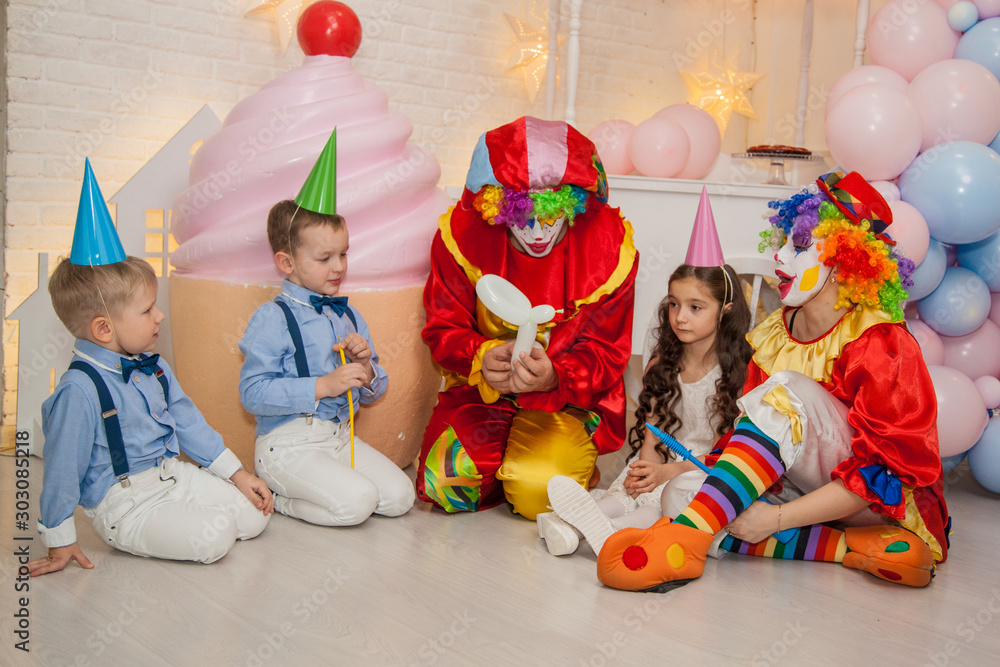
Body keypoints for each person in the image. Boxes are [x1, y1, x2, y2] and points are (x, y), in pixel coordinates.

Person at [597, 171, 950, 591]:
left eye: (798, 247)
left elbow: (886, 474)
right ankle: (845, 547)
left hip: (872, 504)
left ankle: (684, 544)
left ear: (843, 264)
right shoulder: (775, 332)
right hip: (800, 490)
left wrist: (775, 518)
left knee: (788, 389)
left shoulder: (882, 342)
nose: (780, 257)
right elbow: (748, 440)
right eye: (783, 242)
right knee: (683, 495)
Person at [30, 160, 272, 577]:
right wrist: (60, 539)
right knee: (215, 537)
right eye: (147, 310)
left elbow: (189, 423)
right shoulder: (80, 389)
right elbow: (62, 467)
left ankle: (189, 511)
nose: (160, 316)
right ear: (104, 328)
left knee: (253, 515)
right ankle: (171, 523)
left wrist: (236, 473)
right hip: (125, 501)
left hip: (172, 475)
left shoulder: (154, 367)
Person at [417, 117, 638, 520]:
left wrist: (556, 376)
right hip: (482, 393)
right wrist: (481, 356)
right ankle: (505, 459)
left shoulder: (609, 248)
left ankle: (536, 462)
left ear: (572, 206)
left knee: (540, 499)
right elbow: (442, 326)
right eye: (522, 217)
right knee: (445, 487)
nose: (538, 233)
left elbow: (607, 350)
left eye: (551, 216)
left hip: (568, 402)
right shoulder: (459, 237)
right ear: (497, 209)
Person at [540, 188, 753, 556]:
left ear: (726, 310)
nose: (680, 316)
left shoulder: (741, 372)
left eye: (695, 307)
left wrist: (668, 474)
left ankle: (596, 531)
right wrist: (645, 472)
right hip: (663, 466)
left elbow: (734, 456)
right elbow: (654, 441)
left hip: (705, 475)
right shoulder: (663, 363)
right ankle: (579, 523)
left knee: (660, 505)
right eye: (674, 304)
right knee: (628, 493)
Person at [239, 131, 414, 526]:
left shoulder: (348, 315)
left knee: (401, 497)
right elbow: (251, 394)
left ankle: (331, 488)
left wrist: (367, 370)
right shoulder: (272, 317)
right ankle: (280, 498)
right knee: (358, 504)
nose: (338, 267)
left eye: (343, 254)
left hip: (337, 440)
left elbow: (373, 393)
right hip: (287, 445)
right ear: (286, 263)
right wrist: (323, 385)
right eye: (324, 257)